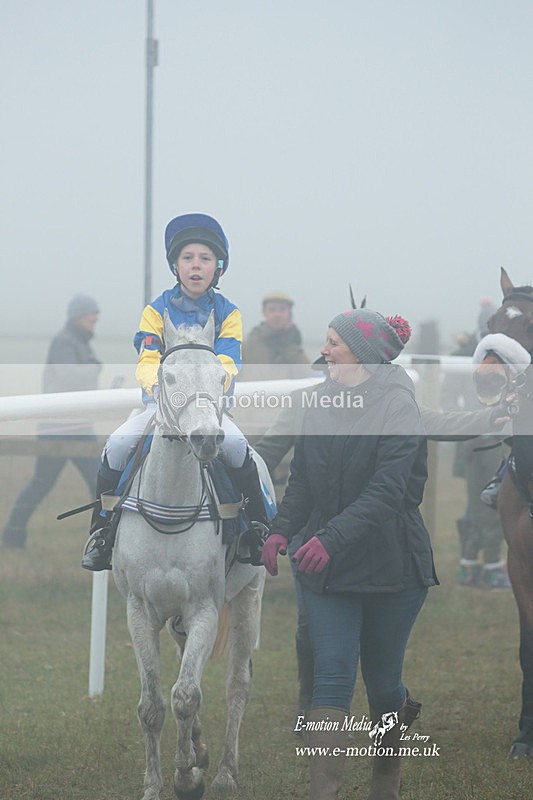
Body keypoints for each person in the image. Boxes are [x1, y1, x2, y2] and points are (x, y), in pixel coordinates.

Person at [262, 308, 438, 800]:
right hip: (327, 568)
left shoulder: (398, 405)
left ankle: (386, 782)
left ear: (363, 354)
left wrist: (330, 538)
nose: (325, 350)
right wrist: (281, 530)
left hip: (393, 565)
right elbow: (303, 481)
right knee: (333, 677)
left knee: (384, 690)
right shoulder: (317, 402)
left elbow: (388, 491)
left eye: (335, 342)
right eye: (327, 340)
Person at [81, 213, 269, 571]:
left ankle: (254, 529)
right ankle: (101, 532)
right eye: (188, 258)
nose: (196, 266)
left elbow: (230, 363)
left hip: (210, 411)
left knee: (237, 448)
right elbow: (147, 359)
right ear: (175, 265)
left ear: (219, 267)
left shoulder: (229, 314)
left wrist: (206, 388)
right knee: (117, 445)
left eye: (205, 259)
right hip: (162, 409)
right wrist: (158, 387)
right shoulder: (155, 311)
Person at [2, 294, 102, 548]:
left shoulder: (76, 340)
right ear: (78, 317)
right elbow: (69, 377)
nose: (96, 318)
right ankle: (13, 536)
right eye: (92, 313)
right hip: (63, 428)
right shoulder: (65, 342)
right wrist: (94, 367)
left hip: (74, 426)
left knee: (94, 483)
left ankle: (103, 536)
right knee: (46, 483)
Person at [441, 299, 510, 589]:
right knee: (484, 504)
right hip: (478, 441)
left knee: (488, 503)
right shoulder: (468, 357)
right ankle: (485, 565)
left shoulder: (509, 355)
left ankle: (473, 564)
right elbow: (448, 397)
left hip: (497, 439)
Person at [239, 291, 310, 381]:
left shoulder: (293, 344)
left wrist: (289, 345)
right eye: (272, 310)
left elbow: (309, 374)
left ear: (289, 314)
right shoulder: (248, 344)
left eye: (282, 309)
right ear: (264, 312)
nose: (277, 315)